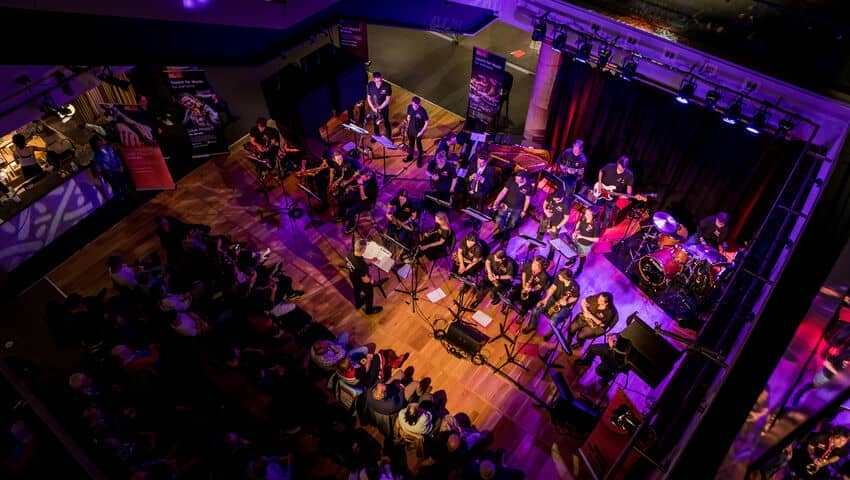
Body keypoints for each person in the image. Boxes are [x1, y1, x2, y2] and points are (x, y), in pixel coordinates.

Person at [532, 267, 580, 336]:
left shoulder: (575, 287)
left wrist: (567, 302)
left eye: (560, 275)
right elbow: (553, 288)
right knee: (537, 309)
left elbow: (575, 297)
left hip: (565, 306)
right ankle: (532, 326)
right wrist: (546, 299)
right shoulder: (558, 278)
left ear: (565, 278)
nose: (558, 275)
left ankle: (550, 334)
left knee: (553, 319)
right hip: (554, 298)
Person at [595, 156, 634, 228]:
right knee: (598, 208)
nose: (620, 170)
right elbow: (601, 171)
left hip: (613, 196)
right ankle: (594, 223)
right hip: (602, 191)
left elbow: (629, 188)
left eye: (622, 169)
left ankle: (602, 228)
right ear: (617, 163)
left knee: (608, 214)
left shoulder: (629, 175)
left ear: (626, 167)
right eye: (619, 167)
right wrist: (600, 183)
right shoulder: (610, 166)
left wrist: (627, 195)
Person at [90, 135, 132, 201]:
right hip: (112, 175)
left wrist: (120, 165)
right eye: (98, 142)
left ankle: (129, 196)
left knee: (125, 184)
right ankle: (123, 201)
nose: (100, 143)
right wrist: (117, 170)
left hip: (120, 169)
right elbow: (105, 167)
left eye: (100, 141)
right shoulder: (97, 156)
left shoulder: (108, 147)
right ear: (95, 145)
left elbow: (116, 156)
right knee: (118, 189)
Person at [345, 239, 382, 315]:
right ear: (363, 250)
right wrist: (371, 280)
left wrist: (371, 260)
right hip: (360, 281)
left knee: (356, 289)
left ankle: (358, 303)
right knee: (369, 292)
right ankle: (369, 310)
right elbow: (365, 280)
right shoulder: (361, 265)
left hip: (352, 276)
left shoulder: (350, 253)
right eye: (365, 248)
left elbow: (361, 258)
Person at [491, 174, 532, 241]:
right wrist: (496, 202)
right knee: (498, 219)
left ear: (523, 179)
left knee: (512, 223)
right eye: (516, 178)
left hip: (518, 208)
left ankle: (505, 232)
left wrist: (524, 210)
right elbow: (503, 192)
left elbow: (527, 200)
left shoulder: (528, 186)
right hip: (505, 205)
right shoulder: (511, 180)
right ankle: (503, 233)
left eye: (518, 180)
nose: (516, 180)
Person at [341, 168, 378, 235]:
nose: (360, 178)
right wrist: (352, 187)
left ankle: (351, 225)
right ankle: (344, 216)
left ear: (368, 177)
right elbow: (361, 185)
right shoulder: (368, 177)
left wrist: (360, 185)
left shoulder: (373, 187)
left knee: (351, 211)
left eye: (362, 177)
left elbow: (363, 198)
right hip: (360, 195)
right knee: (343, 200)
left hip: (367, 203)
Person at [328, 149, 361, 221]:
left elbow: (359, 173)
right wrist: (331, 183)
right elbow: (332, 171)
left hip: (352, 182)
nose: (340, 161)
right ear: (334, 160)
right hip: (342, 181)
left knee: (343, 199)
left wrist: (348, 181)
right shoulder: (332, 162)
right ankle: (342, 209)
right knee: (336, 195)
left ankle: (346, 214)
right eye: (338, 160)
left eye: (341, 159)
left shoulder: (349, 162)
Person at [465, 152, 496, 229]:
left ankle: (478, 222)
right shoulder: (473, 165)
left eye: (482, 163)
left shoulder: (490, 169)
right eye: (479, 162)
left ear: (486, 161)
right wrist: (470, 177)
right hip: (471, 190)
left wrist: (482, 179)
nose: (479, 165)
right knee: (471, 206)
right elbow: (465, 178)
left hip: (481, 193)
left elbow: (491, 184)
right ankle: (471, 219)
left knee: (479, 208)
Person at [571, 206, 601, 276]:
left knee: (582, 256)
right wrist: (575, 231)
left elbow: (596, 239)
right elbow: (579, 223)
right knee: (574, 251)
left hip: (585, 244)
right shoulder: (584, 217)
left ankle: (580, 268)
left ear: (593, 216)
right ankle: (573, 260)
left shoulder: (596, 225)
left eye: (588, 214)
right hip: (577, 238)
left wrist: (582, 237)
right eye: (585, 213)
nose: (585, 215)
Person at [404, 96, 430, 167]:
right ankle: (410, 156)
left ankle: (419, 159)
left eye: (417, 105)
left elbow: (427, 122)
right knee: (411, 143)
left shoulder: (422, 111)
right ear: (412, 103)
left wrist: (421, 132)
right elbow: (408, 116)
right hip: (410, 129)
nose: (415, 106)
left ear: (419, 104)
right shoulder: (409, 107)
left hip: (418, 131)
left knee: (418, 145)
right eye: (414, 104)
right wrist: (407, 127)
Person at [367, 72, 392, 139]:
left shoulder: (387, 86)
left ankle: (389, 138)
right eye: (377, 81)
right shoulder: (370, 85)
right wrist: (372, 107)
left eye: (380, 80)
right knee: (375, 122)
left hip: (384, 108)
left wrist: (380, 107)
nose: (379, 82)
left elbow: (388, 99)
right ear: (374, 80)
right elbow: (368, 98)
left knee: (386, 122)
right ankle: (377, 136)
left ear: (381, 78)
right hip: (374, 108)